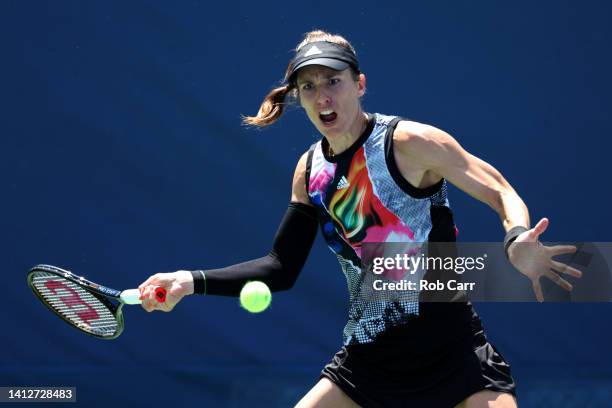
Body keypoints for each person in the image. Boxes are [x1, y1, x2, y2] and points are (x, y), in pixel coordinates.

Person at [138, 30, 582, 408]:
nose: (323, 97)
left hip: (456, 357)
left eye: (333, 81)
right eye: (308, 88)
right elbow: (280, 268)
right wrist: (188, 280)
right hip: (368, 363)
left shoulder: (410, 143)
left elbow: (499, 190)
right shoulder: (310, 172)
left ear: (360, 84)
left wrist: (517, 238)